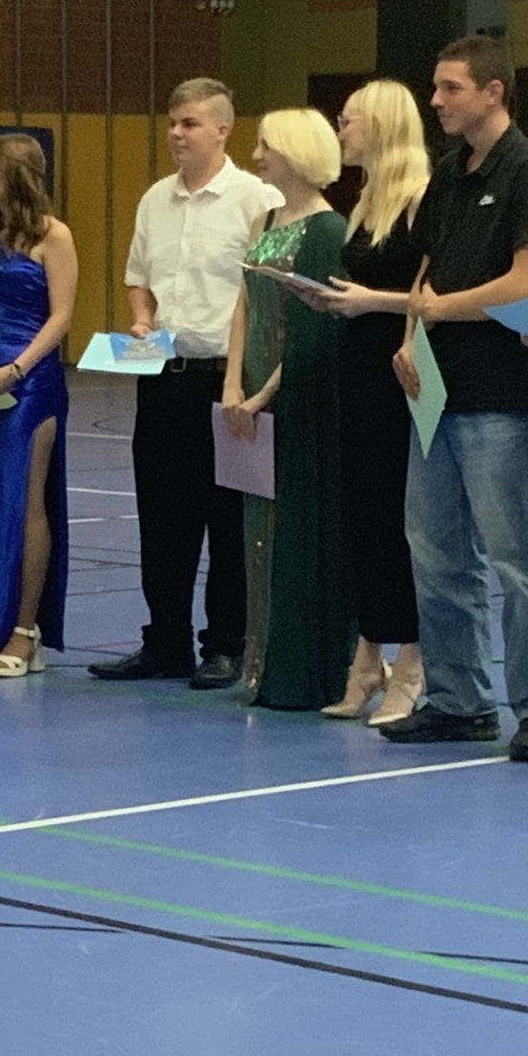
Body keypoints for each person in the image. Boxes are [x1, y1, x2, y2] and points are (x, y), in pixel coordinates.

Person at [377, 35, 528, 762]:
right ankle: (459, 699)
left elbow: (526, 282)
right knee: (436, 555)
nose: (436, 101)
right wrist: (408, 336)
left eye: (450, 88)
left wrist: (442, 311)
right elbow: (426, 268)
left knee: (518, 559)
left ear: (493, 91)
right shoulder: (450, 173)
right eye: (434, 87)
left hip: (499, 397)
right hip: (435, 392)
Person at [90, 78, 281, 690]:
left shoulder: (258, 199)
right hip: (163, 377)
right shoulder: (154, 200)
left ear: (222, 130)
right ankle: (165, 640)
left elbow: (267, 292)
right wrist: (142, 319)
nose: (176, 133)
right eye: (173, 122)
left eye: (190, 123)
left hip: (227, 379)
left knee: (228, 520)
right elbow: (137, 277)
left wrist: (242, 381)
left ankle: (225, 643)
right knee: (162, 518)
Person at [300, 80, 432, 725]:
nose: (340, 131)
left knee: (399, 518)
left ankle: (412, 661)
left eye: (348, 120)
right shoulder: (364, 201)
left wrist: (368, 302)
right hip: (357, 364)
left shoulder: (422, 199)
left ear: (379, 125)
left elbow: (435, 296)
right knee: (365, 517)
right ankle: (367, 652)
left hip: (402, 369)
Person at [221, 108, 355, 710]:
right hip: (248, 393)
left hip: (295, 394)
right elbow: (245, 306)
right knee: (256, 531)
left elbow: (312, 327)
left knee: (296, 527)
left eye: (266, 146)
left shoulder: (329, 230)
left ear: (297, 152)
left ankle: (301, 666)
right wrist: (232, 383)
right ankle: (261, 662)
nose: (256, 156)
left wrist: (263, 393)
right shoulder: (264, 219)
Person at [0, 133, 75, 675]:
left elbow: (61, 317)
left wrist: (18, 368)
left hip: (30, 384)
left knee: (27, 500)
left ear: (15, 175)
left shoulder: (55, 236)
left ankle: (26, 630)